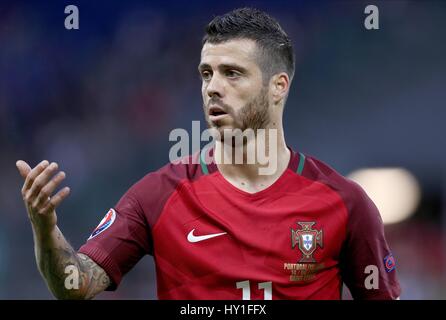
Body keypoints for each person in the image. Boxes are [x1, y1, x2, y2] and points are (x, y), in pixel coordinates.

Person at [16, 7, 400, 300]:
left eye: (232, 73)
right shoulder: (159, 194)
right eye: (206, 74)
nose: (213, 88)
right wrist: (45, 229)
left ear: (278, 86)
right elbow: (76, 284)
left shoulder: (345, 203)